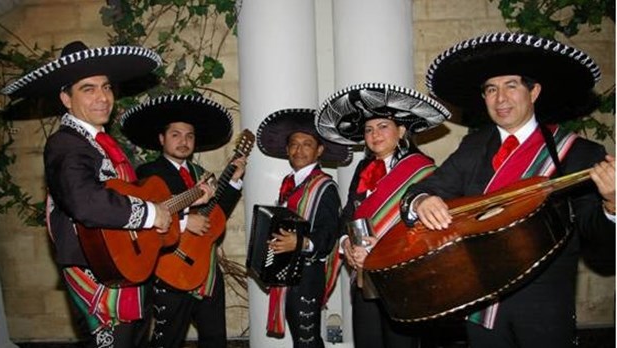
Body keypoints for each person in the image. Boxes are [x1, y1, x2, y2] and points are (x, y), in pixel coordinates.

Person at [400, 32, 615, 348]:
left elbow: (596, 239)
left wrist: (611, 204)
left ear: (534, 91)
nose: (500, 99)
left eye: (511, 86)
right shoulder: (473, 146)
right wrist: (423, 200)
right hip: (481, 306)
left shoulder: (580, 153)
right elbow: (422, 190)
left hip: (544, 311)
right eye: (491, 89)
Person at [0, 41, 215, 346]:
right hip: (97, 273)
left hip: (126, 269)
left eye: (106, 87)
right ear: (66, 98)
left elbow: (130, 213)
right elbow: (85, 202)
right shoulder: (66, 144)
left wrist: (181, 211)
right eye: (88, 89)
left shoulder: (105, 146)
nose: (102, 97)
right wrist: (154, 213)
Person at [315, 82, 451, 348]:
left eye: (382, 126)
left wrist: (385, 251)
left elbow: (429, 232)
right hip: (365, 278)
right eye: (368, 129)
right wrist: (346, 246)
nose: (374, 134)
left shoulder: (423, 170)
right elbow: (348, 215)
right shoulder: (363, 169)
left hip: (404, 279)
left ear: (401, 131)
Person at [120, 94, 247, 348]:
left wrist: (234, 180)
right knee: (168, 340)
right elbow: (144, 217)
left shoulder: (202, 175)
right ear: (161, 139)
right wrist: (183, 222)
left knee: (215, 340)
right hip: (170, 268)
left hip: (207, 271)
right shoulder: (148, 174)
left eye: (189, 136)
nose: (183, 141)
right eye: (175, 135)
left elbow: (217, 213)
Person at [256, 108, 352, 347]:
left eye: (307, 144)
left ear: (319, 150)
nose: (299, 150)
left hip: (308, 274)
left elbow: (329, 234)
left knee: (307, 340)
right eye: (294, 144)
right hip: (287, 272)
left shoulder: (325, 186)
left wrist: (299, 243)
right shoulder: (289, 183)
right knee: (302, 340)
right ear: (288, 150)